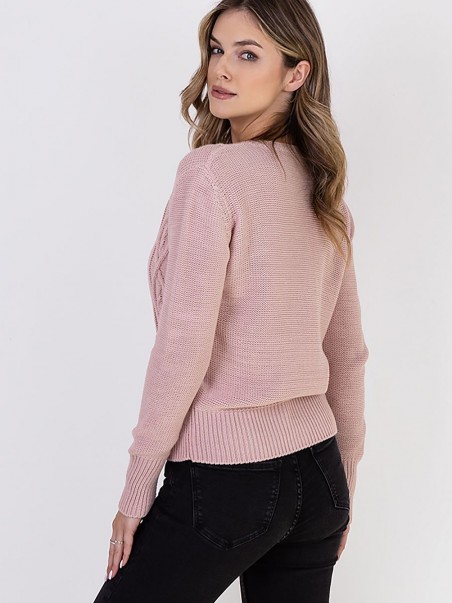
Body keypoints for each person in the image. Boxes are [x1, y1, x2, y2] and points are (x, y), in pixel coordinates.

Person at [93, 0, 369, 601]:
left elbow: (184, 345)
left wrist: (137, 490)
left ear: (296, 73)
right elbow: (348, 355)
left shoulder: (212, 175)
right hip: (319, 473)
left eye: (248, 55)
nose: (222, 69)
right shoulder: (327, 196)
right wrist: (343, 485)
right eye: (218, 50)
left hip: (228, 479)